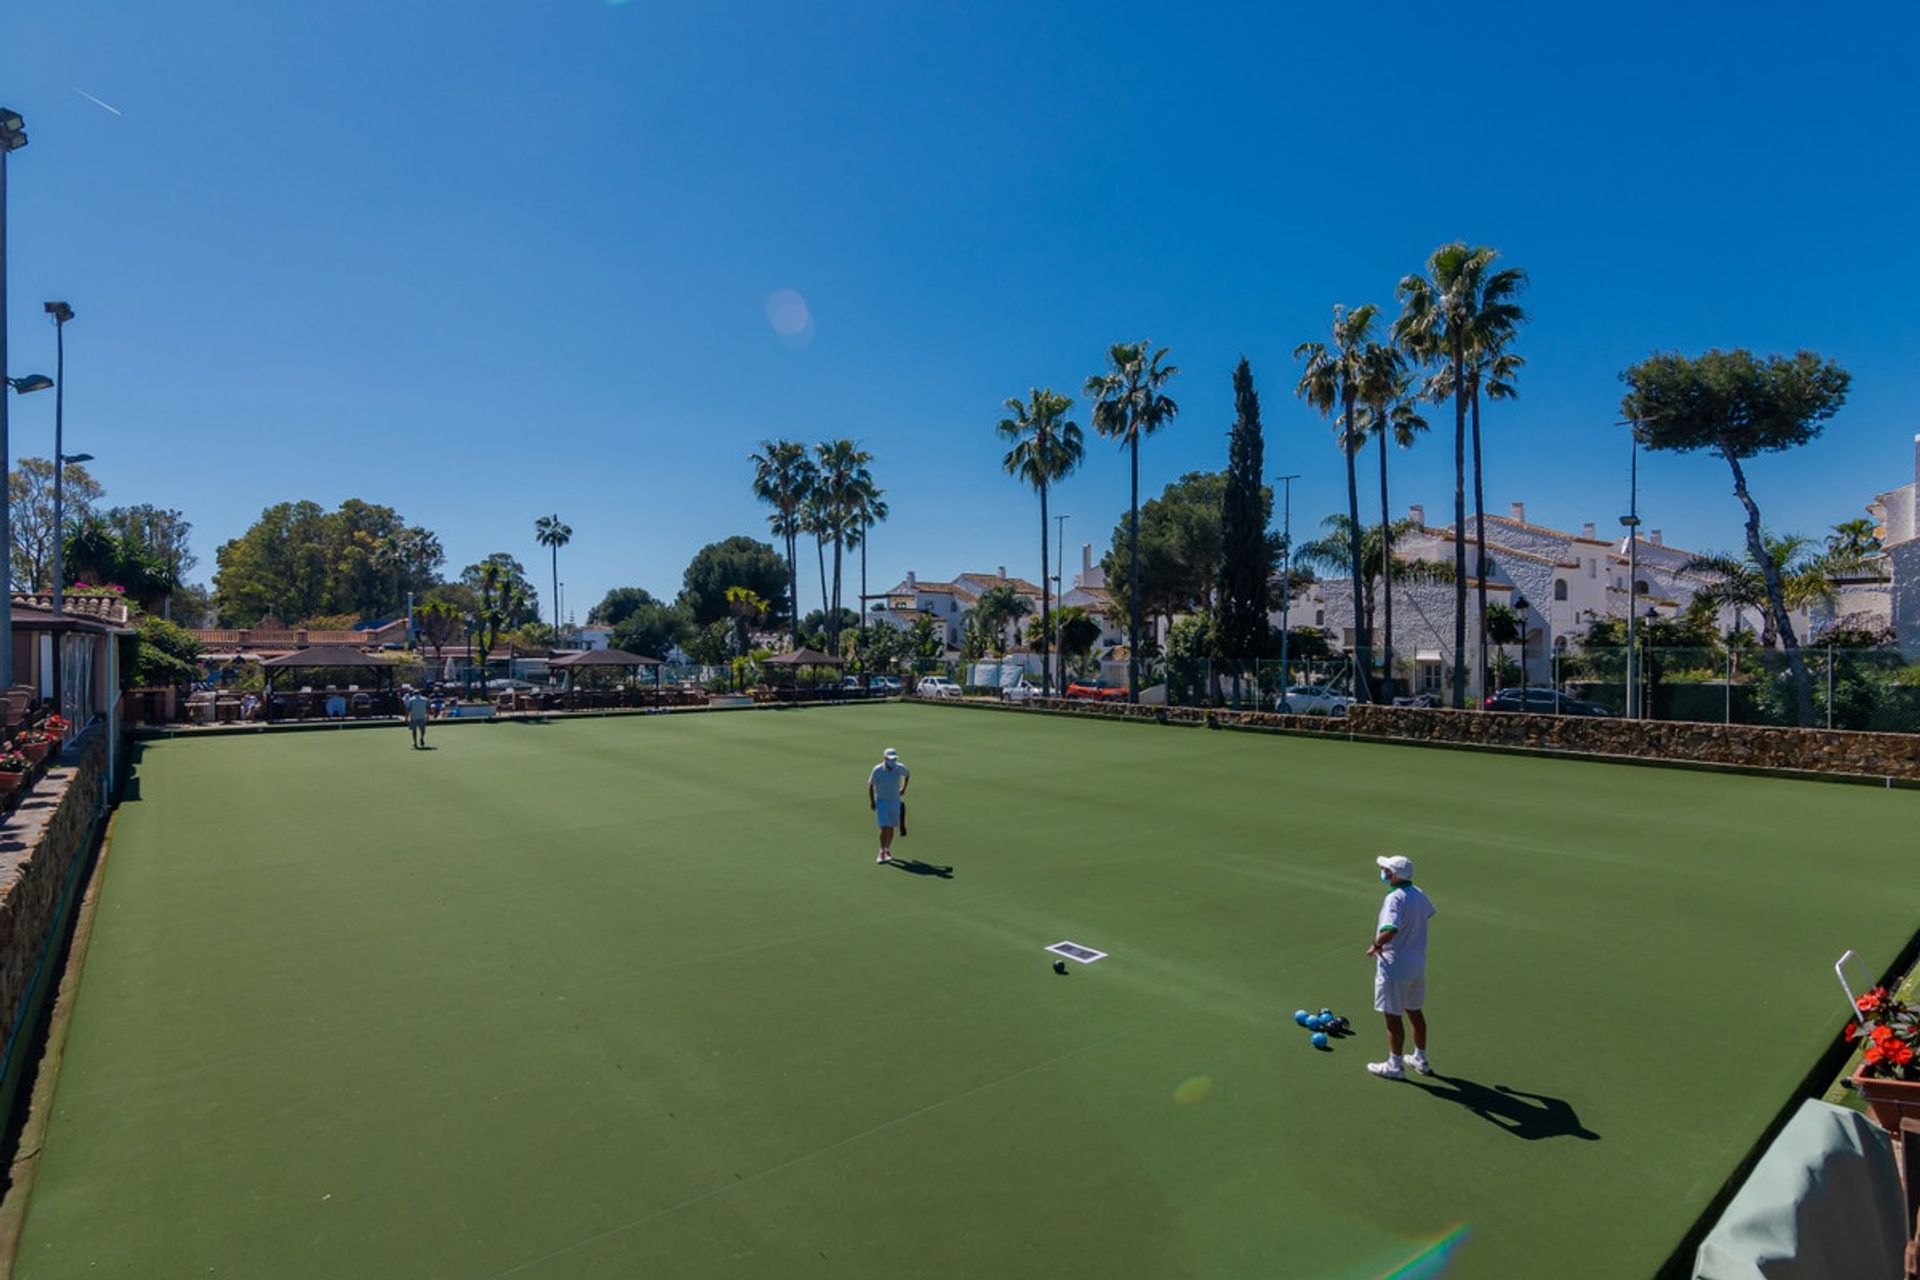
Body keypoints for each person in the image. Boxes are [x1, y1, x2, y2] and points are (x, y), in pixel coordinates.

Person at [1365, 854, 1436, 1081]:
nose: (1383, 872)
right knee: (1414, 1011)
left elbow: (1390, 928)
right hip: (1416, 964)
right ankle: (1420, 1059)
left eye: (1386, 870)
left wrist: (1376, 945)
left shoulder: (1394, 898)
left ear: (1394, 875)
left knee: (1392, 1017)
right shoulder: (1418, 893)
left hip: (1394, 966)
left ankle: (1394, 1065)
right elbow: (1429, 912)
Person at [867, 747, 911, 864]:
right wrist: (872, 801)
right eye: (890, 759)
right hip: (882, 802)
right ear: (885, 758)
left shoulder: (899, 767)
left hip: (895, 802)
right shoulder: (877, 770)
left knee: (891, 827)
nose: (893, 761)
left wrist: (903, 788)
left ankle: (887, 850)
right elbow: (870, 785)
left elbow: (907, 775)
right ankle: (881, 852)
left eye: (894, 759)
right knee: (884, 827)